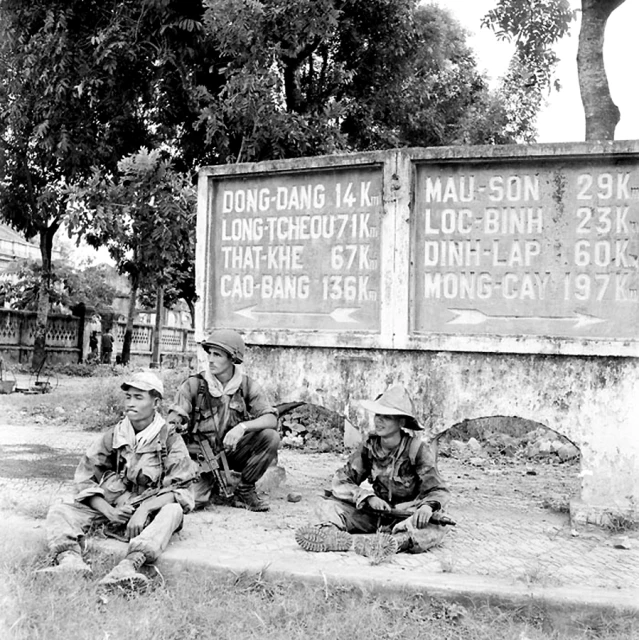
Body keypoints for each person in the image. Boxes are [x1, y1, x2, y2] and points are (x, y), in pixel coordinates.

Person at [37, 371, 196, 592]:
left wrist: (145, 510)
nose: (131, 403)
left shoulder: (169, 439)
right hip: (114, 509)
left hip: (149, 516)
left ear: (156, 402)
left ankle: (128, 567)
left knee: (173, 511)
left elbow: (182, 488)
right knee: (60, 509)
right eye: (128, 397)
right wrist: (108, 511)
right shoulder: (115, 434)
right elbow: (85, 477)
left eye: (139, 398)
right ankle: (70, 561)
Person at [295, 385, 451, 559]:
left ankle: (396, 542)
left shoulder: (417, 449)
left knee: (437, 525)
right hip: (376, 513)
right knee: (328, 505)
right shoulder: (369, 446)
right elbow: (342, 480)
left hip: (407, 515)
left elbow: (438, 490)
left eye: (387, 417)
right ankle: (329, 535)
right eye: (378, 415)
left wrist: (427, 507)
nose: (379, 421)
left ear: (401, 423)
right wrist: (367, 497)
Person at [167, 329, 279, 512]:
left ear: (232, 358)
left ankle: (244, 490)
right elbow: (177, 412)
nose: (210, 359)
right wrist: (174, 422)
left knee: (270, 437)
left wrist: (242, 427)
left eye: (217, 355)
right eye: (209, 353)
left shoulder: (246, 386)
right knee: (191, 500)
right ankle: (212, 484)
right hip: (201, 458)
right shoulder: (195, 384)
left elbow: (270, 418)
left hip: (233, 452)